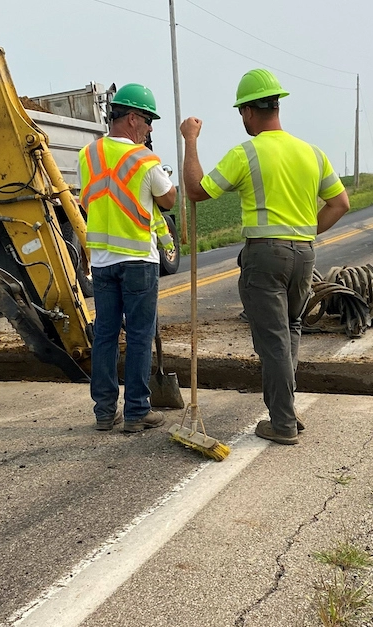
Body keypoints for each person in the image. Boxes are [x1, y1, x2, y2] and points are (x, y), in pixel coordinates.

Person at [179, 69, 350, 446]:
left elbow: (195, 191)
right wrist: (304, 233)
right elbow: (340, 203)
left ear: (249, 112)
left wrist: (190, 140)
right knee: (290, 330)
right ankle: (285, 408)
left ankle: (283, 422)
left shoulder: (247, 153)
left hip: (265, 256)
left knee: (273, 339)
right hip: (304, 254)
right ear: (275, 105)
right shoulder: (312, 152)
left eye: (241, 111)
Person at [77, 83, 177, 433]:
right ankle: (136, 411)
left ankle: (104, 412)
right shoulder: (144, 159)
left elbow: (90, 200)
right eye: (148, 120)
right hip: (137, 258)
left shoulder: (87, 155)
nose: (150, 128)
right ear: (132, 118)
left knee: (104, 335)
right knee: (138, 335)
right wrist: (159, 169)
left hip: (102, 262)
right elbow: (169, 200)